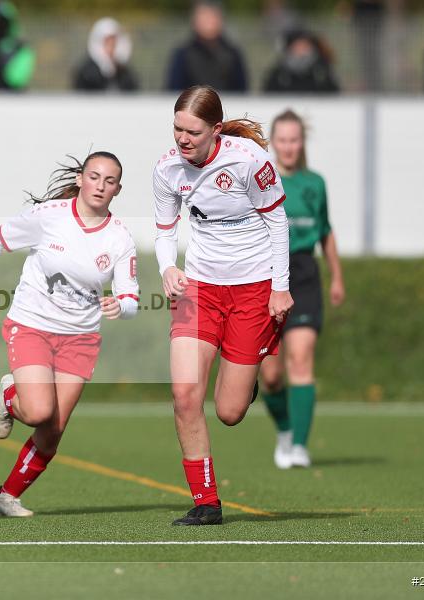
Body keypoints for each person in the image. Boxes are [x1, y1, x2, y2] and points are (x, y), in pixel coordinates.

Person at [0, 152, 139, 517]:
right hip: (32, 324)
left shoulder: (120, 238)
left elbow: (130, 294)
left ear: (117, 189)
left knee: (53, 429)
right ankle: (9, 395)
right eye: (95, 176)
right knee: (38, 411)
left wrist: (123, 306)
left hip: (81, 339)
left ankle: (7, 496)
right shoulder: (50, 215)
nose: (101, 186)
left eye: (110, 181)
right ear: (82, 178)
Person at [153, 85, 292, 526]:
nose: (182, 139)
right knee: (183, 394)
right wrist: (167, 268)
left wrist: (280, 288)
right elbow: (163, 229)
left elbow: (278, 221)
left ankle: (248, 369)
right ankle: (206, 501)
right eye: (177, 128)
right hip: (199, 290)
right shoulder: (166, 169)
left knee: (230, 412)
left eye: (192, 131)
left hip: (253, 289)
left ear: (215, 129)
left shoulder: (250, 160)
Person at [260, 110, 345, 469]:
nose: (289, 146)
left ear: (302, 142)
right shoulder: (260, 180)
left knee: (301, 358)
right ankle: (284, 430)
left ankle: (299, 445)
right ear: (273, 142)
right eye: (282, 139)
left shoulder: (316, 183)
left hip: (305, 273)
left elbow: (325, 231)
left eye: (295, 139)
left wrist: (337, 276)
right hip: (266, 274)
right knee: (271, 374)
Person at [165, 1, 247, 92]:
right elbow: (173, 90)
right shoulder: (183, 54)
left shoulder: (232, 54)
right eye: (204, 17)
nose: (208, 22)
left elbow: (241, 91)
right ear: (195, 21)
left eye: (212, 16)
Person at [72, 17, 138, 92]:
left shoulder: (125, 72)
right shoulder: (86, 73)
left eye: (113, 43)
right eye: (108, 42)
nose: (111, 47)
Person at [263, 29, 339, 94]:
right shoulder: (279, 73)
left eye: (305, 46)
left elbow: (334, 93)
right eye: (298, 46)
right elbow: (268, 95)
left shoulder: (321, 71)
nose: (302, 50)